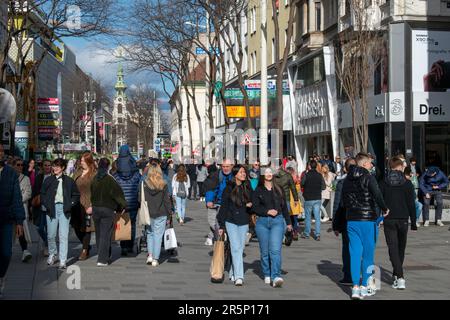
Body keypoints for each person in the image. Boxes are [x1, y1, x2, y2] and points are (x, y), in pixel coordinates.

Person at [342, 153, 389, 300]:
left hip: (352, 220)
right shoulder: (369, 177)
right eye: (370, 163)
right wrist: (385, 208)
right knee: (368, 255)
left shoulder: (346, 180)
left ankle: (355, 287)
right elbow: (377, 195)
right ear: (363, 164)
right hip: (368, 220)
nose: (371, 166)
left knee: (355, 254)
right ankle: (365, 285)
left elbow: (344, 201)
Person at [380, 157, 417, 290]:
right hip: (403, 219)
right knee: (401, 247)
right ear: (400, 166)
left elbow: (379, 199)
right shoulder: (407, 184)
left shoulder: (383, 182)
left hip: (389, 218)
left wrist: (380, 213)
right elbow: (411, 204)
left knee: (393, 247)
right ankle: (399, 275)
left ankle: (398, 274)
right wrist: (413, 221)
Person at [252, 167, 292, 287]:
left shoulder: (278, 189)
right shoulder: (258, 190)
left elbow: (284, 207)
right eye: (266, 172)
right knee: (265, 251)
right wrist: (267, 211)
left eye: (270, 172)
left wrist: (289, 223)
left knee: (275, 250)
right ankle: (267, 273)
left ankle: (276, 276)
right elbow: (255, 208)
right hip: (262, 222)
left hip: (277, 222)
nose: (269, 174)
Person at [41, 158, 80, 269]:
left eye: (58, 166)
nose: (55, 168)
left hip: (64, 209)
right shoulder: (48, 180)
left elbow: (76, 195)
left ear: (63, 167)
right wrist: (47, 204)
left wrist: (70, 204)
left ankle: (63, 259)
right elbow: (42, 193)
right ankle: (52, 254)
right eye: (54, 166)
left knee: (63, 235)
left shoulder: (69, 180)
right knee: (51, 234)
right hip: (51, 209)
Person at [217, 165, 252, 286]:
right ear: (235, 174)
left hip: (243, 221)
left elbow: (253, 203)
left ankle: (232, 271)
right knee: (236, 247)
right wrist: (221, 226)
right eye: (241, 172)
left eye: (244, 172)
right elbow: (224, 207)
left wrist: (251, 205)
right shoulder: (228, 188)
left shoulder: (248, 187)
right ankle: (239, 276)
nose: (243, 174)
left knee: (240, 248)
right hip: (230, 221)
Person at [91, 158, 127, 267]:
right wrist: (123, 206)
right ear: (107, 167)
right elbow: (118, 194)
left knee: (98, 233)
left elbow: (91, 192)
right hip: (107, 209)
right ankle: (102, 259)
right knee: (105, 234)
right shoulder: (110, 180)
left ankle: (100, 254)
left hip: (96, 208)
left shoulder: (95, 179)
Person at [0, 145, 25, 298]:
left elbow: (17, 198)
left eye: (2, 151)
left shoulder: (10, 173)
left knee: (6, 253)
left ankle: (1, 277)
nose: (1, 154)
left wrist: (20, 221)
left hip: (6, 219)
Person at [140, 165, 173, 266]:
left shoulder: (144, 184)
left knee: (150, 234)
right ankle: (155, 258)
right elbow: (167, 201)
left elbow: (140, 198)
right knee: (158, 236)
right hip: (161, 212)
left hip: (148, 212)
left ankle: (150, 255)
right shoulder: (164, 184)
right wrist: (169, 213)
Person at [112, 145, 142, 256]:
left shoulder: (117, 166)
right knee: (132, 224)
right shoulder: (134, 167)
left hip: (121, 202)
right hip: (133, 201)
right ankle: (129, 245)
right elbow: (139, 181)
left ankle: (123, 246)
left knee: (122, 222)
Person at [332, 157, 356, 286]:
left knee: (347, 247)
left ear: (345, 169)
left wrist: (336, 224)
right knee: (358, 247)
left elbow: (337, 204)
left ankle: (348, 275)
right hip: (362, 220)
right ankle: (358, 273)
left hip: (347, 219)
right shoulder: (365, 180)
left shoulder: (342, 183)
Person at [72, 152, 97, 260]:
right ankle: (86, 245)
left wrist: (92, 205)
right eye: (81, 160)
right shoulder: (77, 172)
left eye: (83, 161)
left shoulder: (94, 174)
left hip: (88, 203)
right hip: (76, 204)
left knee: (87, 228)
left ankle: (84, 250)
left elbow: (97, 191)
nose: (81, 162)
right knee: (76, 227)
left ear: (88, 161)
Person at [204, 159, 234, 246]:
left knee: (224, 222)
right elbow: (210, 188)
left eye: (227, 166)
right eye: (223, 166)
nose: (225, 168)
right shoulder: (215, 175)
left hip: (229, 203)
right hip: (216, 202)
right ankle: (216, 235)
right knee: (212, 222)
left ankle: (220, 237)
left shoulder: (235, 176)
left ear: (231, 166)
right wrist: (209, 200)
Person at [12, 158, 33, 262]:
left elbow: (28, 193)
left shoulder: (26, 178)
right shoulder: (8, 177)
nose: (20, 167)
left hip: (21, 207)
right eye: (18, 165)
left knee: (21, 230)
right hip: (8, 209)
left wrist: (18, 200)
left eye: (21, 165)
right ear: (13, 166)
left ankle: (25, 251)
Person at [31, 159, 52, 257]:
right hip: (40, 207)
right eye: (45, 165)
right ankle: (46, 242)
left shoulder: (54, 177)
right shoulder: (39, 177)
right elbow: (34, 191)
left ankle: (47, 246)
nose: (47, 167)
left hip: (50, 208)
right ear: (42, 166)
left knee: (49, 229)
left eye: (49, 165)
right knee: (39, 228)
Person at [301, 160, 326, 241]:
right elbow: (324, 187)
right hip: (317, 198)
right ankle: (317, 234)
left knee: (308, 217)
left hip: (308, 198)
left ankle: (307, 233)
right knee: (317, 217)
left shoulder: (306, 175)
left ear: (309, 166)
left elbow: (302, 183)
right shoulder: (319, 175)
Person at [286, 166, 302, 240]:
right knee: (294, 220)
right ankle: (295, 232)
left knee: (290, 219)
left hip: (290, 202)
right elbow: (298, 189)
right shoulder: (295, 181)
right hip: (294, 203)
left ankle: (292, 232)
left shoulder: (287, 181)